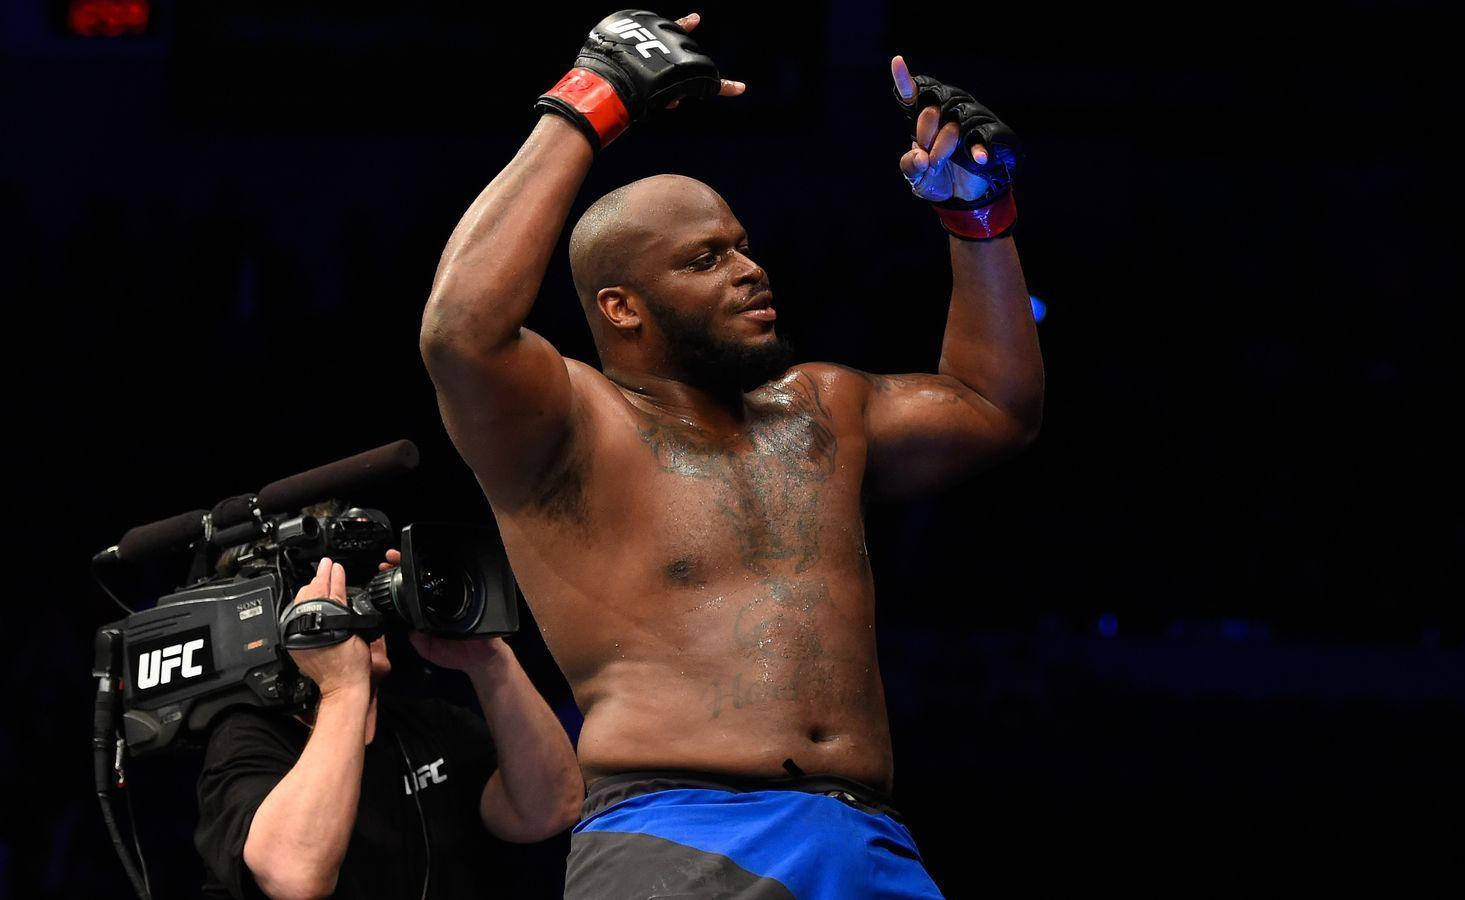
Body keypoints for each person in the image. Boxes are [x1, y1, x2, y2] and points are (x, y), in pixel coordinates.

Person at [420, 10, 1042, 896]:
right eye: (706, 259)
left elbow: (996, 408)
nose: (750, 270)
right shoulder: (567, 425)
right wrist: (586, 102)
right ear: (623, 307)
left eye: (744, 247)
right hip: (676, 836)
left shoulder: (820, 409)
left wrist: (976, 214)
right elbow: (460, 331)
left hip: (868, 838)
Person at [194, 553, 584, 899]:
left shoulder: (428, 722)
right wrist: (343, 687)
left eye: (363, 589)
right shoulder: (245, 736)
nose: (363, 611)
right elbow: (295, 878)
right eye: (337, 597)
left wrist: (490, 661)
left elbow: (549, 810)